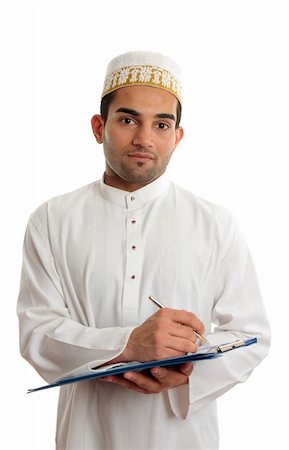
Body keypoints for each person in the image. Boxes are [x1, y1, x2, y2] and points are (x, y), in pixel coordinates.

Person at [17, 51, 270, 450]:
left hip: (183, 438)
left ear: (177, 136)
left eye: (162, 124)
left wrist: (187, 374)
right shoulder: (52, 219)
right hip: (86, 436)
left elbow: (252, 335)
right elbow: (37, 334)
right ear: (99, 127)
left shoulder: (215, 223)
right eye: (128, 119)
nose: (144, 139)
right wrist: (128, 344)